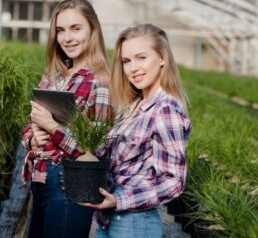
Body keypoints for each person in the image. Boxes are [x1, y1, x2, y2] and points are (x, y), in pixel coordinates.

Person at [81, 24, 192, 238]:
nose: (133, 68)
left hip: (134, 223)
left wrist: (119, 200)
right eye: (126, 61)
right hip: (110, 218)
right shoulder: (134, 106)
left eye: (141, 57)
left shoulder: (166, 109)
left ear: (162, 58)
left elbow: (173, 181)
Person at [21, 0, 112, 238]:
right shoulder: (53, 76)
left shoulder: (100, 81)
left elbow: (97, 149)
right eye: (60, 30)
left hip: (70, 182)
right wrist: (33, 138)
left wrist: (51, 126)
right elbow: (29, 126)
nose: (67, 38)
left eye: (76, 28)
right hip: (40, 180)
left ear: (93, 29)